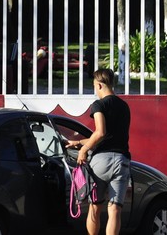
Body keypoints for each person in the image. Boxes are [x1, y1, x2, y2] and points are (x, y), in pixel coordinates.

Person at [65, 68, 131, 235]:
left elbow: (100, 133)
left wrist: (84, 149)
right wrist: (79, 142)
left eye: (95, 86)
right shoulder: (124, 107)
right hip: (121, 161)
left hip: (101, 161)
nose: (95, 90)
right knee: (115, 209)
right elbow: (108, 136)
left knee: (95, 207)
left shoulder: (99, 105)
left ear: (100, 85)